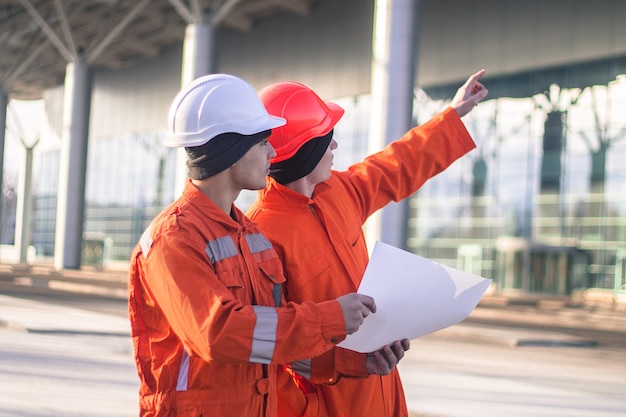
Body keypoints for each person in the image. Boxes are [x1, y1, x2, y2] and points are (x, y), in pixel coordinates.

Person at [127, 73, 381, 417]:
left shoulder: (251, 236)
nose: (273, 152)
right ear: (231, 150)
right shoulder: (172, 240)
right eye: (263, 142)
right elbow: (219, 333)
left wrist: (355, 361)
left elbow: (277, 344)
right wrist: (329, 318)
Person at [246, 69, 489, 417]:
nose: (334, 145)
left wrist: (452, 115)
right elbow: (278, 345)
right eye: (326, 137)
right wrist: (357, 362)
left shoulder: (338, 192)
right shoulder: (261, 235)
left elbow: (397, 165)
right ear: (306, 153)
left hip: (384, 394)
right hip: (331, 404)